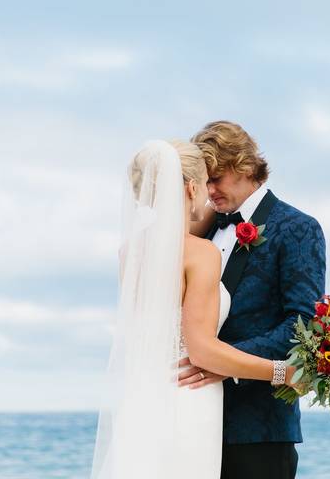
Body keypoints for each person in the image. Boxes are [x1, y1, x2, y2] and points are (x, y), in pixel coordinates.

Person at [90, 138, 305, 479]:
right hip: (188, 403)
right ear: (191, 187)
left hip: (142, 402)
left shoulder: (129, 252)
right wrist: (284, 372)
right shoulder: (200, 253)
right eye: (206, 182)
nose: (209, 194)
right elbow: (201, 351)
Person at [180, 121, 326, 479]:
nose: (209, 190)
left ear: (244, 166)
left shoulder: (298, 228)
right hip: (191, 423)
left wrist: (224, 363)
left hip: (259, 428)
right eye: (205, 181)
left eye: (216, 178)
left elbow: (302, 326)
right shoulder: (203, 229)